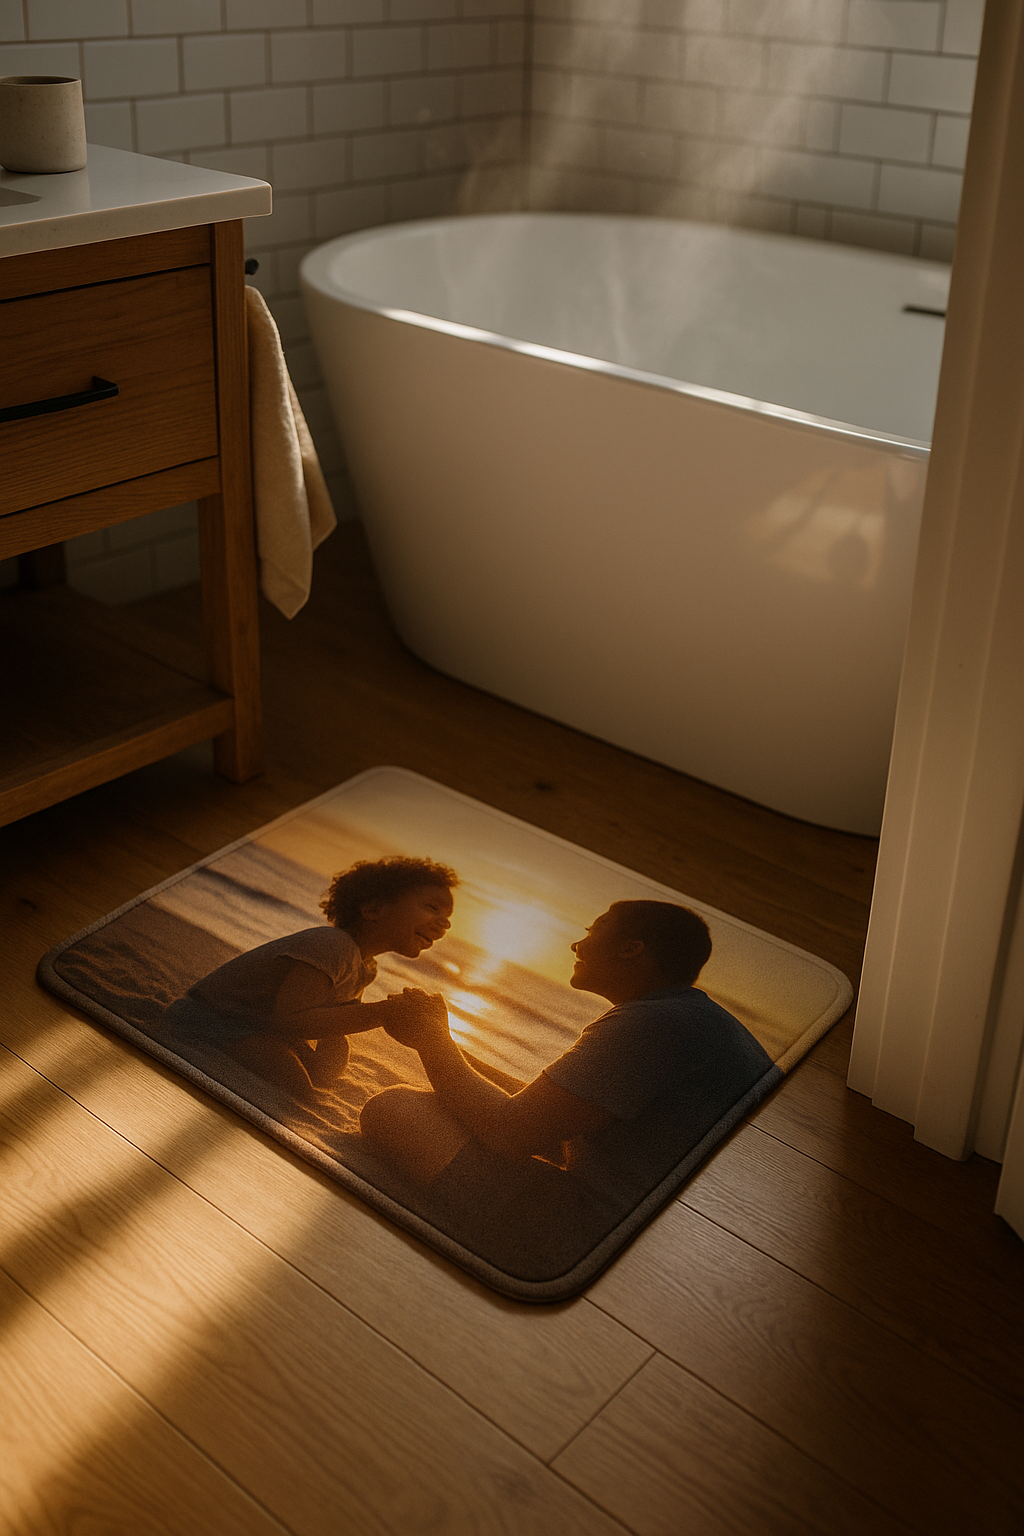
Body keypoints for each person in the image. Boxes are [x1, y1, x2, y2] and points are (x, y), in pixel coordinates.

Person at [360, 900, 774, 1273]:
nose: (577, 945)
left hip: (605, 1236)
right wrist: (445, 1044)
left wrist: (433, 1040)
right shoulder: (701, 1021)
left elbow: (511, 1133)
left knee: (394, 1107)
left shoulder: (652, 1024)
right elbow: (556, 1112)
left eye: (592, 931)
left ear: (630, 948)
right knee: (455, 1102)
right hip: (687, 1237)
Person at [164, 856, 457, 1097]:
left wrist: (333, 1055)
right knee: (296, 1085)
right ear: (373, 908)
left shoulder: (365, 968)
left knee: (320, 1071)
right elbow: (290, 1019)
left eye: (447, 918)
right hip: (211, 1017)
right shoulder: (332, 945)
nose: (443, 924)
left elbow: (333, 1022)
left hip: (261, 1027)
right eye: (432, 908)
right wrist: (383, 1013)